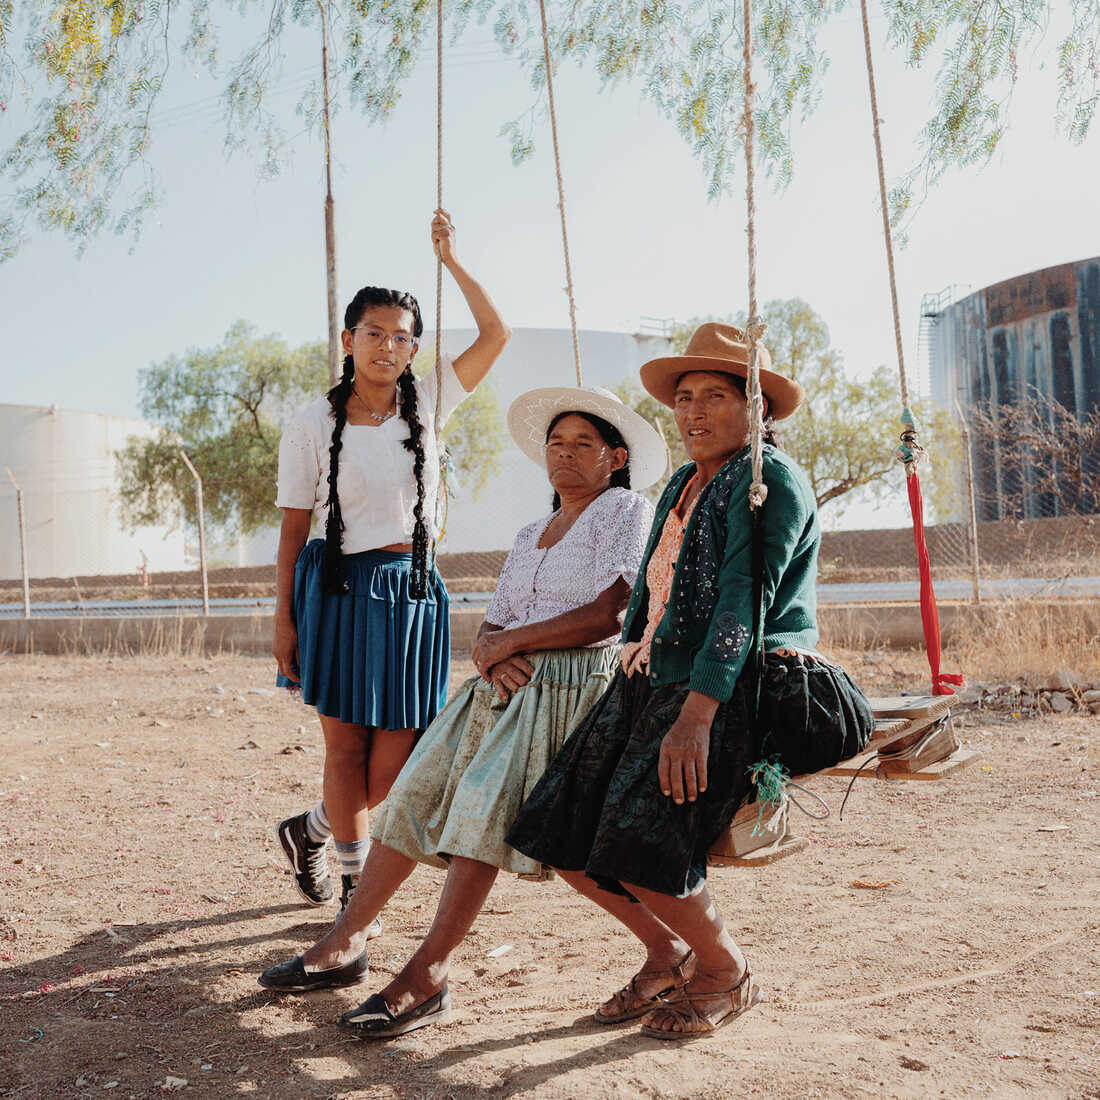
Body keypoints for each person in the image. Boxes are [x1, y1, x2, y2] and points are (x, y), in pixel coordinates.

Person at [258, 386, 667, 1040]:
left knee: (481, 807)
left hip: (577, 690)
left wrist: (514, 642)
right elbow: (495, 624)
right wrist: (491, 651)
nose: (565, 455)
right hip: (510, 685)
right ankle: (344, 940)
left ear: (615, 457)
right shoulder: (533, 531)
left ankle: (428, 976)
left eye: (583, 445)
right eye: (555, 444)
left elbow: (615, 612)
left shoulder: (627, 510)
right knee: (416, 789)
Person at [506, 322, 874, 1039]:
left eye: (715, 395)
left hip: (729, 686)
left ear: (757, 408)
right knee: (558, 831)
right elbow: (651, 590)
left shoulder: (771, 480)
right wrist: (629, 669)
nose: (694, 412)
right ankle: (666, 953)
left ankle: (725, 969)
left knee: (643, 848)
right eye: (684, 398)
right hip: (647, 674)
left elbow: (744, 600)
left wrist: (699, 713)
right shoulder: (682, 481)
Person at [272, 210, 509, 915]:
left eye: (402, 337)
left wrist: (452, 263)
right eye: (373, 333)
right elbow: (290, 530)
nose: (387, 346)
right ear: (349, 339)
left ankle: (306, 829)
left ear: (413, 350)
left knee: (393, 768)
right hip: (341, 589)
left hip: (412, 593)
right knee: (345, 755)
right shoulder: (312, 423)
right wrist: (281, 622)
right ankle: (354, 888)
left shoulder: (430, 402)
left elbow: (495, 335)